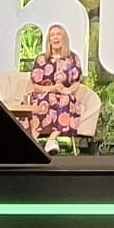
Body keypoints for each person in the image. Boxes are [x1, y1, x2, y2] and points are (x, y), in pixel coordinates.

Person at [26, 23, 84, 155]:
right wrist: (52, 88)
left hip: (64, 95)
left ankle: (52, 140)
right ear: (49, 40)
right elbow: (35, 86)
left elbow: (76, 83)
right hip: (44, 93)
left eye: (58, 34)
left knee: (66, 100)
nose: (55, 37)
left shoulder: (73, 58)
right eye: (52, 35)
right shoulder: (41, 59)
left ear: (64, 38)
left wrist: (68, 91)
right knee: (47, 98)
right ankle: (34, 140)